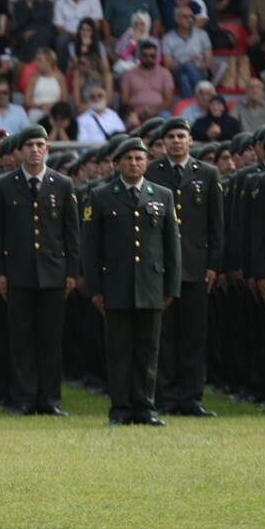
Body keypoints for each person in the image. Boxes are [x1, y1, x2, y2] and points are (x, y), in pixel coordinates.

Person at [82, 137, 181, 426]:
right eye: (128, 159)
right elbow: (91, 248)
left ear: (147, 162)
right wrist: (95, 289)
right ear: (117, 163)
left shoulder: (162, 195)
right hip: (116, 285)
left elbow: (171, 246)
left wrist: (171, 287)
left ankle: (146, 408)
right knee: (118, 351)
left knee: (148, 351)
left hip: (151, 285)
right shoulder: (101, 196)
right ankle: (121, 409)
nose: (134, 163)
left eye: (139, 158)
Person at [0, 124, 79, 416]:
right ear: (20, 151)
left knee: (50, 339)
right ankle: (24, 399)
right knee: (21, 339)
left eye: (40, 145)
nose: (35, 150)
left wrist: (71, 273)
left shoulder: (63, 184)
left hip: (53, 273)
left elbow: (71, 234)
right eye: (29, 145)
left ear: (48, 149)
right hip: (18, 273)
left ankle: (49, 400)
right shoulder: (4, 185)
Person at [144, 117, 223, 417]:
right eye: (170, 137)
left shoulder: (207, 173)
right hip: (160, 267)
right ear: (162, 143)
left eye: (181, 136)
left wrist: (214, 264)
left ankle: (191, 397)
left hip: (195, 267)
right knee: (163, 336)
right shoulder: (151, 172)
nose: (176, 141)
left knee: (193, 334)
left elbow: (216, 225)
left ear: (191, 140)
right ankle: (164, 397)